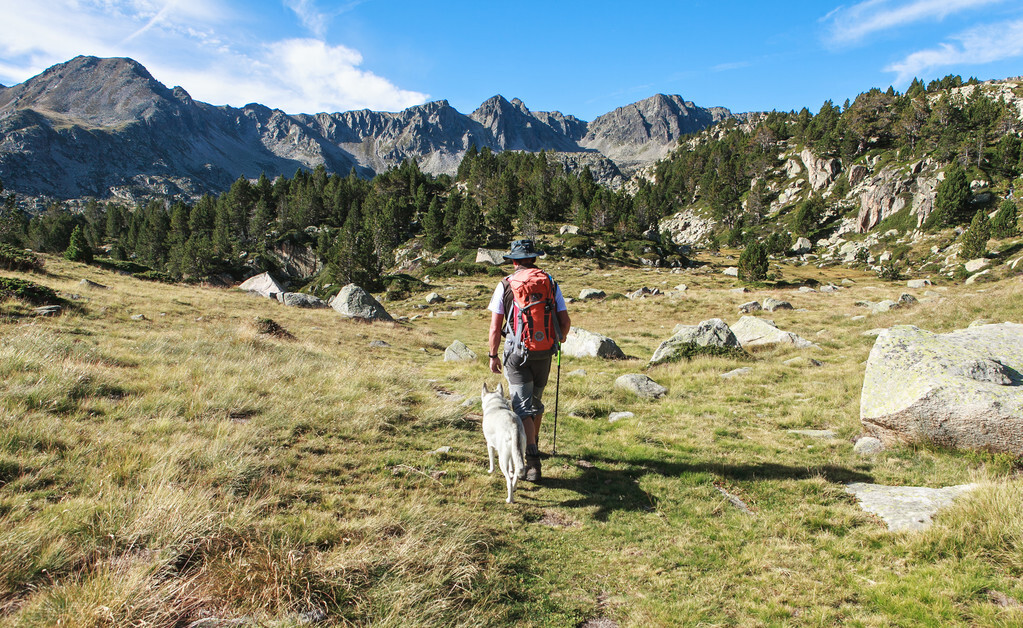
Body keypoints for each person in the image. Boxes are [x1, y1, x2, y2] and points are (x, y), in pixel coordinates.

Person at [487, 239, 571, 482]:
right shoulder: (550, 283)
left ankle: (532, 462)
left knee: (521, 407)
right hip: (544, 353)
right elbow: (565, 322)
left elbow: (495, 327)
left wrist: (493, 355)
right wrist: (558, 340)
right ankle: (532, 443)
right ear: (533, 258)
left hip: (516, 355)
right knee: (535, 402)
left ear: (513, 261)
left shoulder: (505, 285)